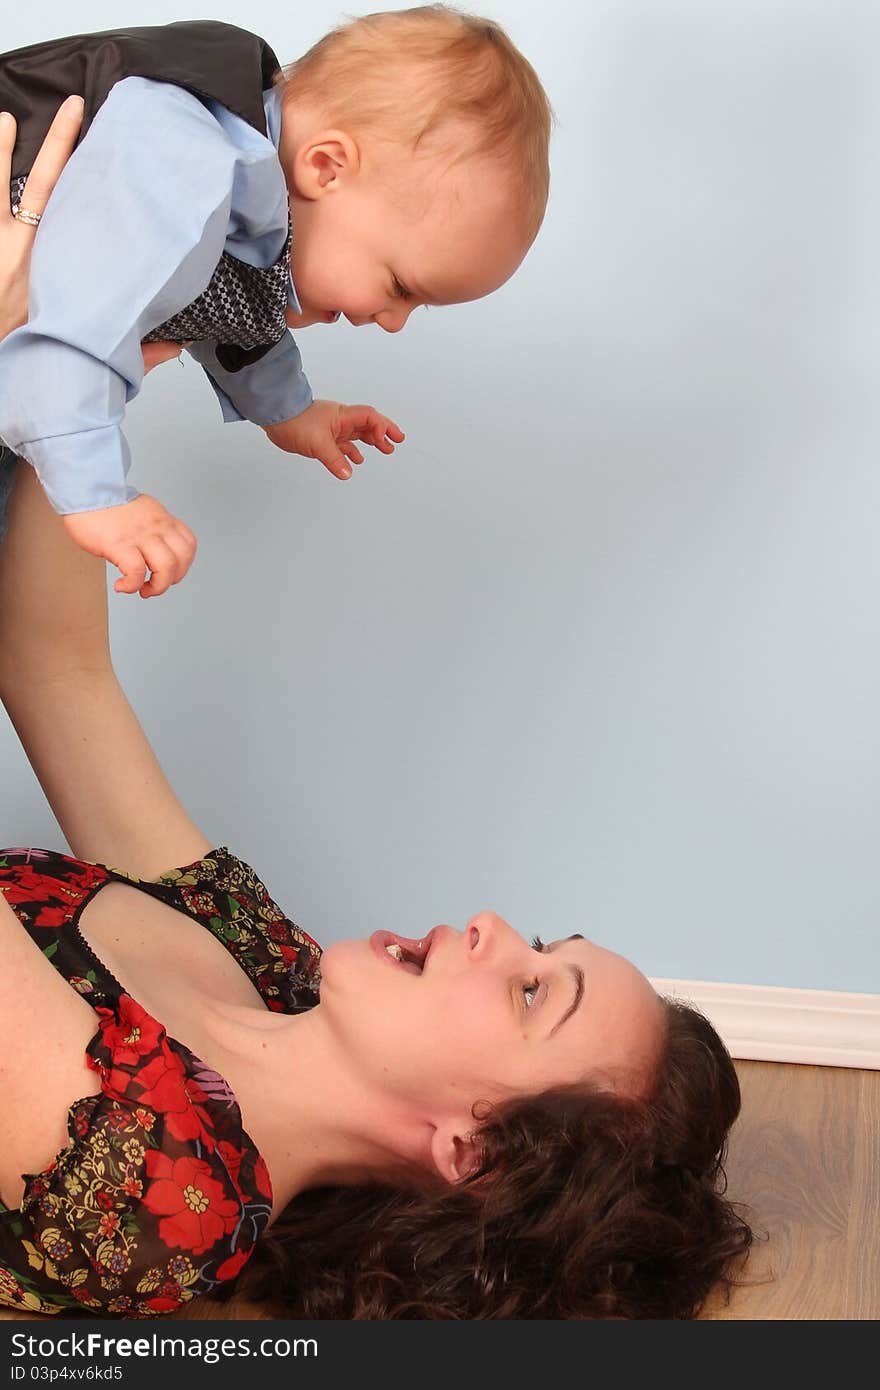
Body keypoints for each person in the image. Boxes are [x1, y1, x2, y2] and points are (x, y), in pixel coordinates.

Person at [0, 116, 753, 1323]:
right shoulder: (272, 969)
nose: (497, 926)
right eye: (544, 944)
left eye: (526, 991)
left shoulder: (149, 1180)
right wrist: (96, 340)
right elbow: (56, 673)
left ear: (468, 1148)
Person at [0, 9, 550, 599]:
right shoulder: (181, 160)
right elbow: (73, 330)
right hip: (39, 374)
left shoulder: (252, 200)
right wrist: (100, 498)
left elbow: (236, 306)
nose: (392, 323)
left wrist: (292, 412)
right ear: (327, 167)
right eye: (400, 287)